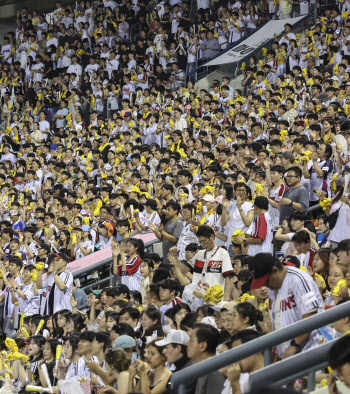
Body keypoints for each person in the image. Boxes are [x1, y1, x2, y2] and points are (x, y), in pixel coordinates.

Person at [249, 253, 325, 358]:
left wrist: (294, 345)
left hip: (314, 347)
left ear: (276, 270)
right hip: (292, 353)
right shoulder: (273, 286)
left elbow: (311, 315)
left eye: (266, 281)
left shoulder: (298, 279)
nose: (265, 285)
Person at [186, 323, 225, 394]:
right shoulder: (204, 368)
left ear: (202, 346)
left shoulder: (214, 373)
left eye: (191, 340)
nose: (187, 343)